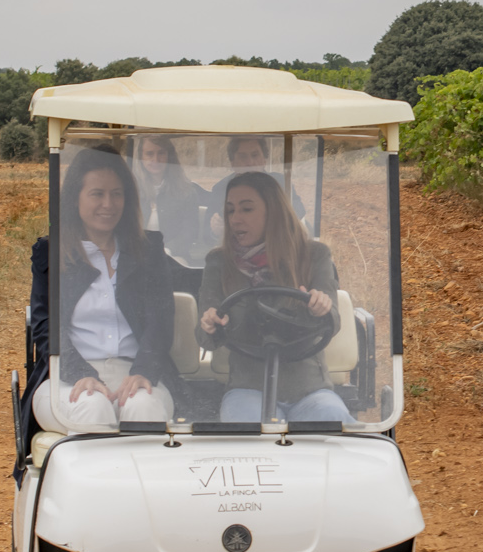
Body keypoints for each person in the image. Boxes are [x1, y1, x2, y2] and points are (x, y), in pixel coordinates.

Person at [29, 148, 177, 432]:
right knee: (91, 406)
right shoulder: (54, 253)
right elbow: (45, 325)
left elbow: (161, 318)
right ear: (75, 198)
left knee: (142, 406)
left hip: (135, 369)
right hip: (68, 374)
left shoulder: (147, 250)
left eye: (116, 194)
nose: (108, 204)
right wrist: (81, 374)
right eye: (97, 193)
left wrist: (143, 370)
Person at [197, 170, 348, 428]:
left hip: (308, 388)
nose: (235, 219)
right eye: (231, 210)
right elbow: (204, 338)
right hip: (248, 387)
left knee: (334, 422)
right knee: (245, 429)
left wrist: (321, 307)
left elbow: (333, 319)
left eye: (246, 209)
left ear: (272, 212)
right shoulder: (219, 262)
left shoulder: (314, 255)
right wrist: (209, 324)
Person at [130, 134, 204, 261]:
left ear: (169, 155)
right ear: (141, 157)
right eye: (149, 153)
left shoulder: (187, 191)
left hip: (174, 257)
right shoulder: (130, 189)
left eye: (161, 153)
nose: (156, 159)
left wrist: (167, 250)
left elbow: (190, 232)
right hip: (137, 257)